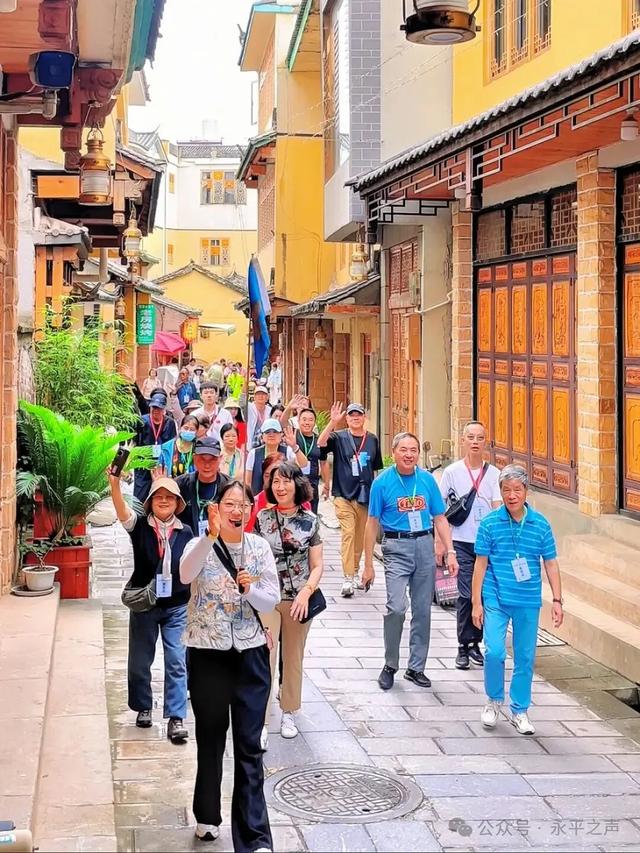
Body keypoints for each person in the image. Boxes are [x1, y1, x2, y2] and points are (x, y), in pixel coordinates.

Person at [180, 482, 279, 849]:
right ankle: (207, 814)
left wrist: (249, 590)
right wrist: (208, 537)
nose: (236, 511)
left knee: (249, 745)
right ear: (216, 508)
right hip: (207, 652)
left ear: (251, 510)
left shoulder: (260, 548)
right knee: (210, 737)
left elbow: (271, 600)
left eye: (242, 504)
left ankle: (254, 838)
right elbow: (185, 574)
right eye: (229, 504)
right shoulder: (198, 543)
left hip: (250, 654)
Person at [362, 432, 459, 691]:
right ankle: (390, 664)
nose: (409, 454)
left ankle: (416, 667)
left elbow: (440, 517)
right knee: (396, 607)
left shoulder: (427, 480)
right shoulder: (382, 483)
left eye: (413, 450)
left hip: (424, 545)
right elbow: (371, 523)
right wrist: (368, 564)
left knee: (423, 610)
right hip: (395, 546)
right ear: (393, 452)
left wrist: (449, 550)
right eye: (403, 449)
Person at [472, 464, 563, 736]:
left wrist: (557, 600)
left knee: (525, 657)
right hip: (496, 596)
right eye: (506, 490)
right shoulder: (489, 523)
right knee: (494, 650)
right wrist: (476, 603)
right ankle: (493, 700)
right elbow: (480, 564)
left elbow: (551, 563)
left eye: (517, 490)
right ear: (500, 492)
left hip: (527, 599)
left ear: (526, 492)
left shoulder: (540, 524)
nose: (512, 495)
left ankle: (519, 710)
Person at [109, 472, 192, 743]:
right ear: (150, 502)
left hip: (176, 605)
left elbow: (193, 565)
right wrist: (114, 483)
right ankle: (143, 705)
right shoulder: (141, 526)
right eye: (159, 497)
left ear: (177, 502)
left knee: (177, 660)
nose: (164, 501)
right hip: (145, 604)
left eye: (170, 497)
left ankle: (176, 717)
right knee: (140, 661)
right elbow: (122, 512)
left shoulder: (186, 531)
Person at [256, 462, 323, 748]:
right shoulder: (261, 518)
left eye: (285, 481)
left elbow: (318, 565)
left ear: (297, 484)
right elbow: (255, 556)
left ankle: (288, 712)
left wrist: (306, 593)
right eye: (274, 482)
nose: (280, 487)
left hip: (298, 600)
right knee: (264, 657)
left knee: (293, 657)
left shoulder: (311, 521)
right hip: (268, 598)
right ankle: (260, 720)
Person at [436, 421, 502, 670]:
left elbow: (498, 507)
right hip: (461, 541)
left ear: (486, 441)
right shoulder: (452, 472)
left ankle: (476, 643)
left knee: (484, 593)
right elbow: (439, 510)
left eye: (480, 437)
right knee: (466, 593)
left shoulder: (495, 474)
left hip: (486, 545)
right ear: (462, 440)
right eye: (470, 437)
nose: (475, 442)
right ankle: (463, 646)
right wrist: (440, 544)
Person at [318, 401, 383, 598]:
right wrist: (332, 422)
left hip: (364, 496)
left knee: (360, 536)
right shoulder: (339, 437)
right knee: (348, 533)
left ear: (364, 418)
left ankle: (354, 571)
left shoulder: (372, 440)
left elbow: (376, 468)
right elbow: (320, 443)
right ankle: (347, 577)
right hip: (343, 494)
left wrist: (378, 495)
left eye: (359, 414)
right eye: (352, 415)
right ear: (347, 418)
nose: (355, 418)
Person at [176, 437, 230, 537]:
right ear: (194, 458)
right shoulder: (180, 484)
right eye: (202, 459)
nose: (207, 465)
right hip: (188, 544)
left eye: (212, 459)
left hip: (219, 543)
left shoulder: (229, 486)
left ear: (220, 458)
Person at [245, 419, 308, 497]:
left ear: (281, 435)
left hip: (283, 497)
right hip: (258, 499)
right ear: (262, 436)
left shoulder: (288, 451)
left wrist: (294, 447)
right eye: (267, 432)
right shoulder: (253, 453)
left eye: (275, 432)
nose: (271, 435)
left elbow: (303, 464)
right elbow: (248, 482)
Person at [133, 393, 177, 502]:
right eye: (153, 407)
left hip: (161, 465)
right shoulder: (142, 421)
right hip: (143, 464)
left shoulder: (170, 423)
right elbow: (135, 443)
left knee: (160, 495)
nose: (155, 410)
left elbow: (171, 446)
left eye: (159, 408)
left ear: (164, 410)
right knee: (140, 497)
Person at [245, 452, 286, 534]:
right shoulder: (253, 505)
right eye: (267, 476)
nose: (271, 481)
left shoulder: (300, 503)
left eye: (278, 476)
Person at [295, 408, 325, 514]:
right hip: (295, 484)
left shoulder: (318, 440)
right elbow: (283, 423)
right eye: (304, 419)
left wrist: (326, 484)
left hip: (312, 484)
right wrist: (290, 407)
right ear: (298, 421)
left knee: (311, 515)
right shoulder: (294, 436)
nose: (307, 422)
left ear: (314, 422)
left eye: (310, 420)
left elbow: (323, 462)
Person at [160, 414, 199, 479]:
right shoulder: (166, 448)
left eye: (192, 429)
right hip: (171, 485)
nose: (188, 431)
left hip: (191, 486)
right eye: (186, 428)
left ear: (196, 432)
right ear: (180, 428)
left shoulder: (198, 448)